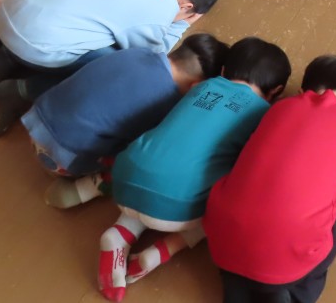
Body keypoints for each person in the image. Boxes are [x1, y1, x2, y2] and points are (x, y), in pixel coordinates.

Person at [90, 37, 290, 302]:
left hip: (124, 177)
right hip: (175, 210)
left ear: (223, 71)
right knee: (227, 202)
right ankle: (163, 250)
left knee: (165, 167)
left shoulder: (203, 86)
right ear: (276, 91)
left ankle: (120, 232)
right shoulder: (263, 113)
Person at [0, 0, 220, 136]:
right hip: (34, 45)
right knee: (115, 65)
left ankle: (2, 58)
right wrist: (181, 25)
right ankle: (22, 91)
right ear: (187, 7)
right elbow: (149, 58)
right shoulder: (160, 11)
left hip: (9, 11)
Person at [204, 55, 336, 303]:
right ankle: (294, 292)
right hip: (288, 262)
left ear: (301, 92)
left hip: (221, 241)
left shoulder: (280, 107)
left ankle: (240, 281)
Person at [22, 33, 225, 185]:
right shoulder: (166, 100)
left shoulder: (139, 52)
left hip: (36, 116)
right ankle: (77, 181)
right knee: (135, 159)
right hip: (62, 155)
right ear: (197, 85)